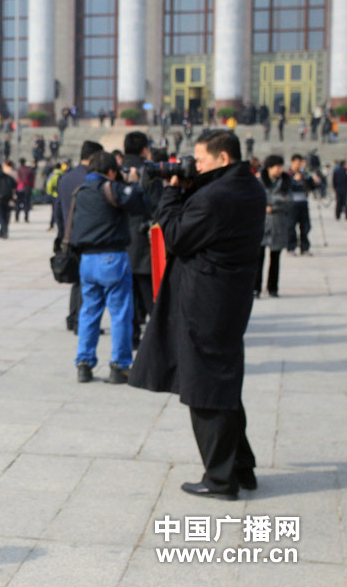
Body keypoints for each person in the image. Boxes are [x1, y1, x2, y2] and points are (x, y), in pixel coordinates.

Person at [129, 130, 266, 500]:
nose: (196, 165)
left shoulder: (217, 197)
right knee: (222, 384)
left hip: (205, 304)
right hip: (226, 300)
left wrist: (171, 192)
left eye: (202, 159)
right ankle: (241, 467)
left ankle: (220, 479)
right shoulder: (248, 187)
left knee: (205, 388)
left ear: (223, 159)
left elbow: (175, 236)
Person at [69, 152, 148, 384]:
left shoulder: (80, 191)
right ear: (111, 171)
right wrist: (133, 183)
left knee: (89, 313)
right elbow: (140, 205)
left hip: (87, 260)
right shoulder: (111, 188)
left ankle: (84, 363)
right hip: (112, 257)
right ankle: (120, 365)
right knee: (120, 313)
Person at [55, 140, 104, 333]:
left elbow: (58, 209)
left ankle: (73, 316)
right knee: (88, 281)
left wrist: (61, 233)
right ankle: (82, 323)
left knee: (78, 279)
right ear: (93, 157)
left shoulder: (66, 178)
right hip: (87, 235)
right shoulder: (91, 179)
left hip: (69, 234)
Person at [121, 131, 164, 349]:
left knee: (127, 301)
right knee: (152, 300)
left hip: (121, 245)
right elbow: (158, 209)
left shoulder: (116, 171)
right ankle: (159, 344)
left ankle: (131, 340)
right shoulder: (150, 172)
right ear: (144, 149)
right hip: (145, 246)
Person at [255, 155, 291, 298]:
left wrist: (271, 205)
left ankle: (273, 288)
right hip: (262, 224)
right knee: (258, 258)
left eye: (281, 166)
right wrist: (272, 202)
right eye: (277, 166)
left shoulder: (286, 182)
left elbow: (288, 201)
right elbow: (257, 199)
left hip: (278, 223)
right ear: (269, 167)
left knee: (275, 258)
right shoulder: (259, 182)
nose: (279, 169)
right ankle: (255, 288)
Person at [286, 154, 312, 255]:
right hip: (292, 204)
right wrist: (294, 180)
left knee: (306, 226)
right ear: (292, 163)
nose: (299, 165)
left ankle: (305, 248)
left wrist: (313, 180)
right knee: (291, 227)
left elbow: (312, 187)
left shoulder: (304, 174)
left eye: (300, 163)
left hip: (303, 203)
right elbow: (285, 187)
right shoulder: (287, 174)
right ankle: (291, 247)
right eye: (297, 163)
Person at [14, 158, 34, 223]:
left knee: (18, 204)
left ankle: (17, 218)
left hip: (19, 188)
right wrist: (31, 187)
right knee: (26, 204)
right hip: (27, 188)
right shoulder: (29, 170)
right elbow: (32, 180)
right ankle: (26, 218)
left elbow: (15, 180)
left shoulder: (17, 170)